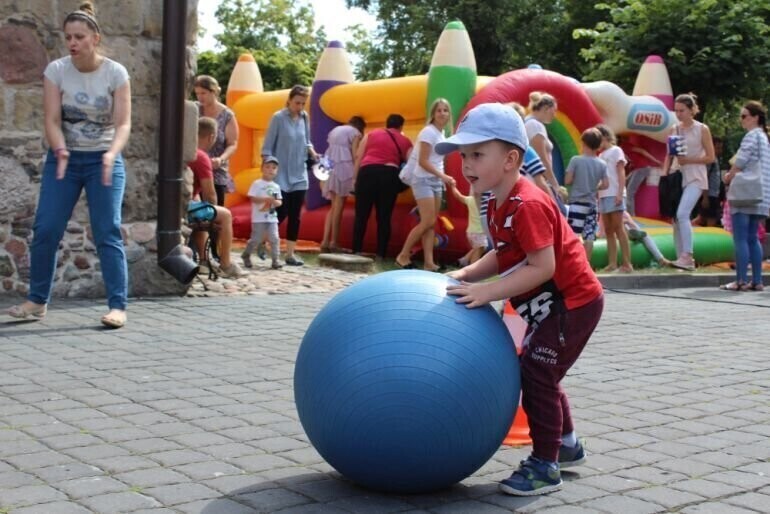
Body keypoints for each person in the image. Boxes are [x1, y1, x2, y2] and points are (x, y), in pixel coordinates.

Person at [438, 103, 603, 496]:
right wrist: (465, 274)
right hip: (552, 307)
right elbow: (505, 253)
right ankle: (566, 446)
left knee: (537, 375)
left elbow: (541, 266)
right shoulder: (496, 200)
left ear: (511, 159)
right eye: (464, 156)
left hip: (572, 305)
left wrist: (486, 291)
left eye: (477, 154)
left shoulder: (527, 203)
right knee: (540, 371)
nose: (467, 164)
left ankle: (546, 465)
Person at [7, 3, 132, 328]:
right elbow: (50, 119)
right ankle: (37, 301)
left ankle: (117, 307)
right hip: (65, 160)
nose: (72, 43)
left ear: (95, 38)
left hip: (104, 159)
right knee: (46, 229)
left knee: (107, 231)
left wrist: (110, 154)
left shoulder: (115, 73)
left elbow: (123, 125)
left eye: (79, 37)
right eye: (68, 37)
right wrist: (60, 148)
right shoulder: (57, 71)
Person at [395, 98, 456, 271]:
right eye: (439, 110)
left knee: (431, 223)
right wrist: (443, 176)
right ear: (433, 114)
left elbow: (436, 161)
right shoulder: (429, 132)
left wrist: (441, 178)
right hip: (423, 179)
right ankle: (403, 255)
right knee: (428, 220)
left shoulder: (441, 133)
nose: (442, 113)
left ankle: (429, 263)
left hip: (435, 181)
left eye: (445, 110)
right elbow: (422, 161)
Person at [262, 85, 319, 266]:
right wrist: (269, 168)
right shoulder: (278, 118)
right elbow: (267, 148)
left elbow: (307, 141)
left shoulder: (304, 117)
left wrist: (313, 152)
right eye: (297, 103)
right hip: (280, 175)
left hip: (299, 174)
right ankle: (262, 243)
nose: (300, 107)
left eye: (303, 103)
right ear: (289, 100)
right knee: (280, 212)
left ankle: (290, 254)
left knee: (296, 215)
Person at [661, 93, 716, 271]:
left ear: (692, 110)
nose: (678, 114)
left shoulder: (702, 129)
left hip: (696, 177)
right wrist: (664, 175)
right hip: (677, 177)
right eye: (676, 110)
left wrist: (689, 160)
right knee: (676, 218)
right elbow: (669, 155)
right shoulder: (674, 129)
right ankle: (680, 258)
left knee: (683, 213)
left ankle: (688, 256)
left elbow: (710, 157)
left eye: (682, 110)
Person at [721, 101, 770, 291]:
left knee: (740, 238)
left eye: (744, 116)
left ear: (755, 117)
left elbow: (741, 161)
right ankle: (757, 281)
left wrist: (729, 176)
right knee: (753, 238)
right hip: (760, 195)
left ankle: (740, 280)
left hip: (744, 193)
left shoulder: (751, 136)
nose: (741, 120)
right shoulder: (765, 138)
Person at [187, 118, 244, 278]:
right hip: (184, 209)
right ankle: (225, 263)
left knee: (200, 206)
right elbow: (210, 193)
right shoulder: (201, 156)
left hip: (178, 205)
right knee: (224, 214)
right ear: (211, 137)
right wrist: (213, 216)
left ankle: (204, 261)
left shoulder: (185, 150)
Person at [351, 114, 413, 258]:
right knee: (384, 217)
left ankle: (356, 250)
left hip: (367, 172)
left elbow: (359, 156)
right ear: (401, 126)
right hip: (388, 175)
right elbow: (411, 164)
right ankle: (381, 253)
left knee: (361, 215)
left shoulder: (372, 134)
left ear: (387, 124)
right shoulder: (405, 140)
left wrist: (355, 178)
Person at [194, 75, 239, 261]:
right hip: (195, 166)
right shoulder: (194, 110)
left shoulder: (227, 114)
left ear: (214, 92)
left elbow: (233, 143)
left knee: (215, 210)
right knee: (197, 213)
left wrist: (221, 159)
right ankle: (198, 252)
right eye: (197, 93)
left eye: (203, 93)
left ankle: (216, 251)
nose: (200, 97)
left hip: (216, 170)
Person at [320, 116, 365, 253]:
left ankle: (325, 240)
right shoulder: (356, 133)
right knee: (339, 207)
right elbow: (355, 154)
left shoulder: (335, 130)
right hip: (344, 168)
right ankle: (334, 242)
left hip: (329, 166)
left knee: (333, 207)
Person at [564, 128, 609, 260]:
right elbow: (606, 184)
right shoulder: (602, 163)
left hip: (577, 203)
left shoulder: (576, 160)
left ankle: (573, 264)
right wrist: (595, 187)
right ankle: (586, 264)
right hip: (592, 204)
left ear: (583, 143)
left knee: (574, 235)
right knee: (589, 236)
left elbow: (568, 180)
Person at [597, 124, 634, 273]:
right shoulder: (600, 156)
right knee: (608, 229)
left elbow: (620, 172)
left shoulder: (616, 151)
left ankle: (627, 263)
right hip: (604, 195)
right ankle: (612, 262)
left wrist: (620, 192)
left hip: (614, 193)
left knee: (619, 227)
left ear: (605, 137)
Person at [524, 92, 566, 208]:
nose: (554, 114)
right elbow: (542, 159)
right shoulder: (535, 126)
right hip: (535, 181)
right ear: (546, 108)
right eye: (554, 110)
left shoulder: (529, 123)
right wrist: (555, 185)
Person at [242, 156, 283, 270]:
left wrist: (275, 202)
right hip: (259, 218)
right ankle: (246, 254)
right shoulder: (257, 184)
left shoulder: (276, 186)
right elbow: (252, 198)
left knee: (274, 238)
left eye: (274, 168)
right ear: (262, 168)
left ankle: (276, 260)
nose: (271, 170)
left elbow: (279, 201)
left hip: (272, 217)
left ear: (277, 171)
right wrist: (265, 200)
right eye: (268, 167)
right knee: (256, 239)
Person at [448, 183, 487, 266]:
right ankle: (473, 267)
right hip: (478, 232)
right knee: (479, 249)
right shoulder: (485, 204)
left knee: (480, 248)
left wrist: (453, 186)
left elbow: (458, 196)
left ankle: (464, 260)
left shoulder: (470, 200)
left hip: (471, 231)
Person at [694, 136, 723, 227]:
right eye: (717, 148)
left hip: (714, 193)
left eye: (721, 148)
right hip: (710, 194)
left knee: (702, 217)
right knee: (711, 218)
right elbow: (704, 177)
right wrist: (705, 197)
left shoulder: (715, 159)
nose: (720, 150)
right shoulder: (710, 159)